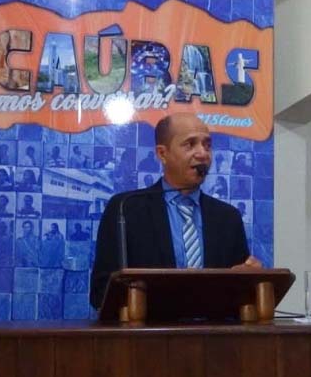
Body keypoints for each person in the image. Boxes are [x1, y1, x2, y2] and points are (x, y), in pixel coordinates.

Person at [90, 112, 261, 308]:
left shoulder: (228, 217)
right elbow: (100, 292)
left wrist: (249, 278)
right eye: (190, 144)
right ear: (162, 153)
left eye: (207, 145)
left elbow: (241, 295)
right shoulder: (126, 209)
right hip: (149, 327)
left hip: (212, 327)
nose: (203, 154)